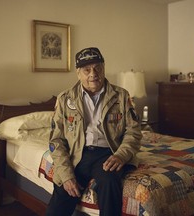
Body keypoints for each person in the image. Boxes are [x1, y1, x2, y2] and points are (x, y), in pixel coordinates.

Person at [45, 47, 142, 216]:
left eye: (98, 68)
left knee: (110, 182)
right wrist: (67, 175)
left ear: (104, 68)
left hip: (108, 153)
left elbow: (133, 131)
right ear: (78, 73)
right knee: (61, 195)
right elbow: (56, 141)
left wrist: (121, 155)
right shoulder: (65, 99)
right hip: (77, 155)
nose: (93, 73)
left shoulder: (121, 96)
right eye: (87, 70)